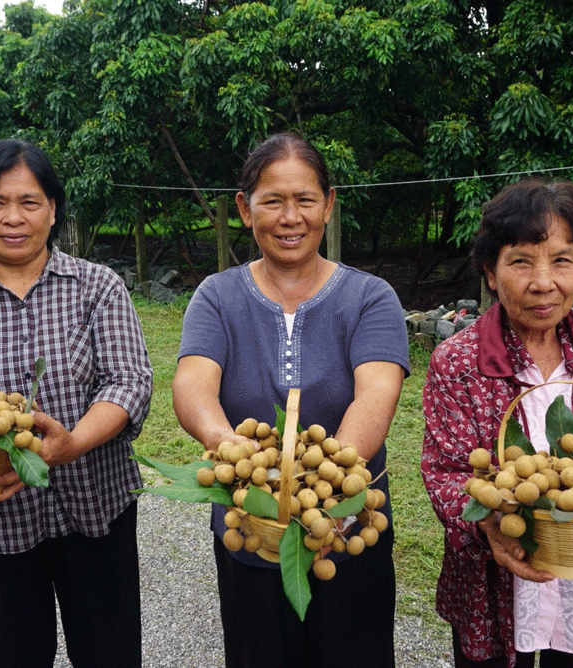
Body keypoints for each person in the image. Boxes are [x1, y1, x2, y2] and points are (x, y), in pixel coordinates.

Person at [0, 138, 153, 668]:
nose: (13, 218)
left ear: (53, 210)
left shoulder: (97, 287)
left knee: (111, 656)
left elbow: (129, 382)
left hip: (96, 512)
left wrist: (72, 443)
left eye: (30, 202)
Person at [172, 132, 410, 667]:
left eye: (304, 200)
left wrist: (324, 498)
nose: (290, 217)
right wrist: (225, 443)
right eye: (272, 201)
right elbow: (193, 385)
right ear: (244, 208)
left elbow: (377, 394)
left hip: (350, 532)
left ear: (328, 204)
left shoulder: (370, 297)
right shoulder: (216, 295)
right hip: (250, 529)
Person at [420, 178, 573, 668]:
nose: (543, 282)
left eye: (561, 260)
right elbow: (444, 472)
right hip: (492, 583)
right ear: (491, 272)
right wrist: (489, 521)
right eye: (521, 261)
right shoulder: (458, 361)